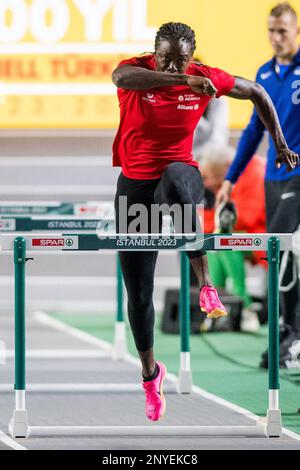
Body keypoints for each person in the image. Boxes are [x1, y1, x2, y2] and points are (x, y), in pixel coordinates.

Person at [112, 21, 299, 421]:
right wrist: (172, 80)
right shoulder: (137, 70)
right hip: (134, 185)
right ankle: (150, 374)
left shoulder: (205, 78)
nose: (176, 68)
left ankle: (206, 285)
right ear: (155, 53)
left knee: (178, 178)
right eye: (167, 59)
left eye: (182, 61)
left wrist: (280, 142)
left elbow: (258, 92)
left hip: (180, 176)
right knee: (139, 295)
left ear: (192, 57)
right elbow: (119, 75)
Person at [216, 2, 300, 368]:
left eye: (282, 30)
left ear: (296, 31)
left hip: (299, 175)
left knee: (283, 248)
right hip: (274, 177)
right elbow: (253, 131)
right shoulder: (263, 75)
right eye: (271, 30)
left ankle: (290, 336)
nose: (275, 37)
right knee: (280, 255)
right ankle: (287, 334)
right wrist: (230, 179)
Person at [201, 146, 267, 332]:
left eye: (211, 176)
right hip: (242, 236)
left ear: (228, 167)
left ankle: (244, 305)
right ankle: (218, 306)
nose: (207, 183)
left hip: (266, 236)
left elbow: (248, 218)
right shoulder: (217, 184)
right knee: (213, 240)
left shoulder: (255, 172)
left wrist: (220, 209)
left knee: (223, 239)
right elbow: (207, 225)